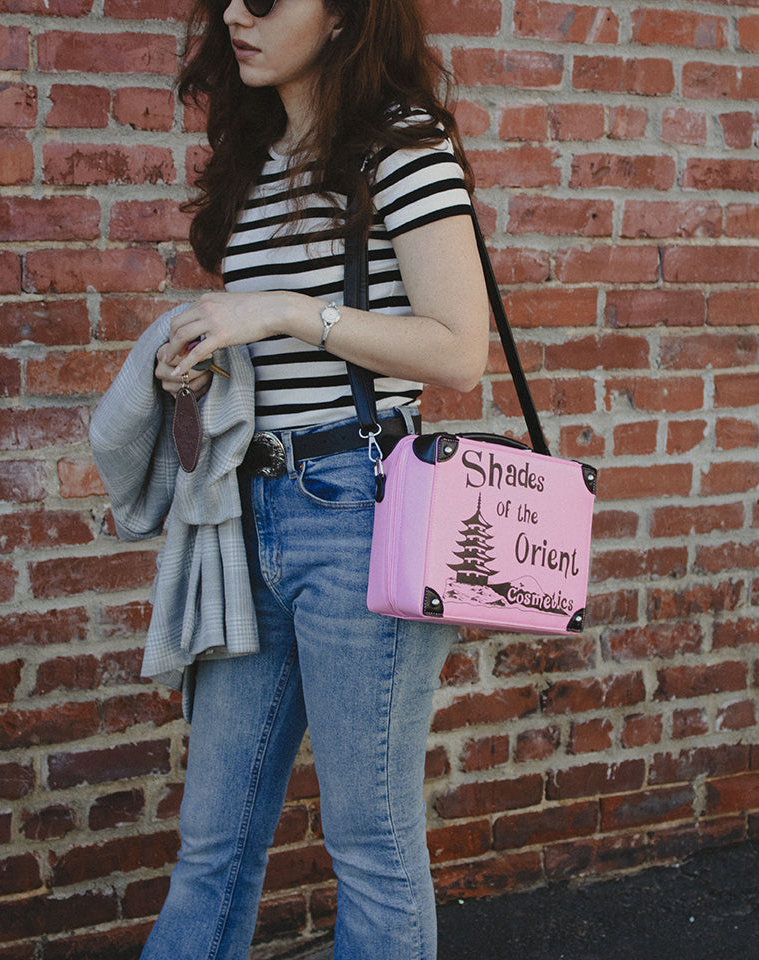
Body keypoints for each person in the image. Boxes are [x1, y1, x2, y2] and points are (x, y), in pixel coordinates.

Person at [141, 0, 489, 957]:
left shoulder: (403, 150)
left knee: (369, 842)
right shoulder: (263, 159)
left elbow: (460, 351)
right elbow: (273, 356)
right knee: (213, 837)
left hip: (361, 512)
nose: (234, 15)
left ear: (342, 19)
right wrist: (204, 357)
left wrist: (287, 311)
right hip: (249, 513)